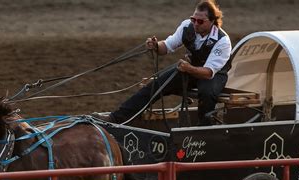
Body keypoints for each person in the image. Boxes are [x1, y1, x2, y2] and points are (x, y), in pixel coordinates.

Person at [95, 0, 231, 126]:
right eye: (193, 19)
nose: (195, 23)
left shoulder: (222, 41)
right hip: (189, 69)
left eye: (200, 21)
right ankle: (116, 118)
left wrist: (189, 68)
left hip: (213, 75)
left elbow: (208, 73)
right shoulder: (187, 27)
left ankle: (205, 130)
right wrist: (155, 46)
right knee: (156, 86)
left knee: (207, 94)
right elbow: (166, 46)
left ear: (213, 21)